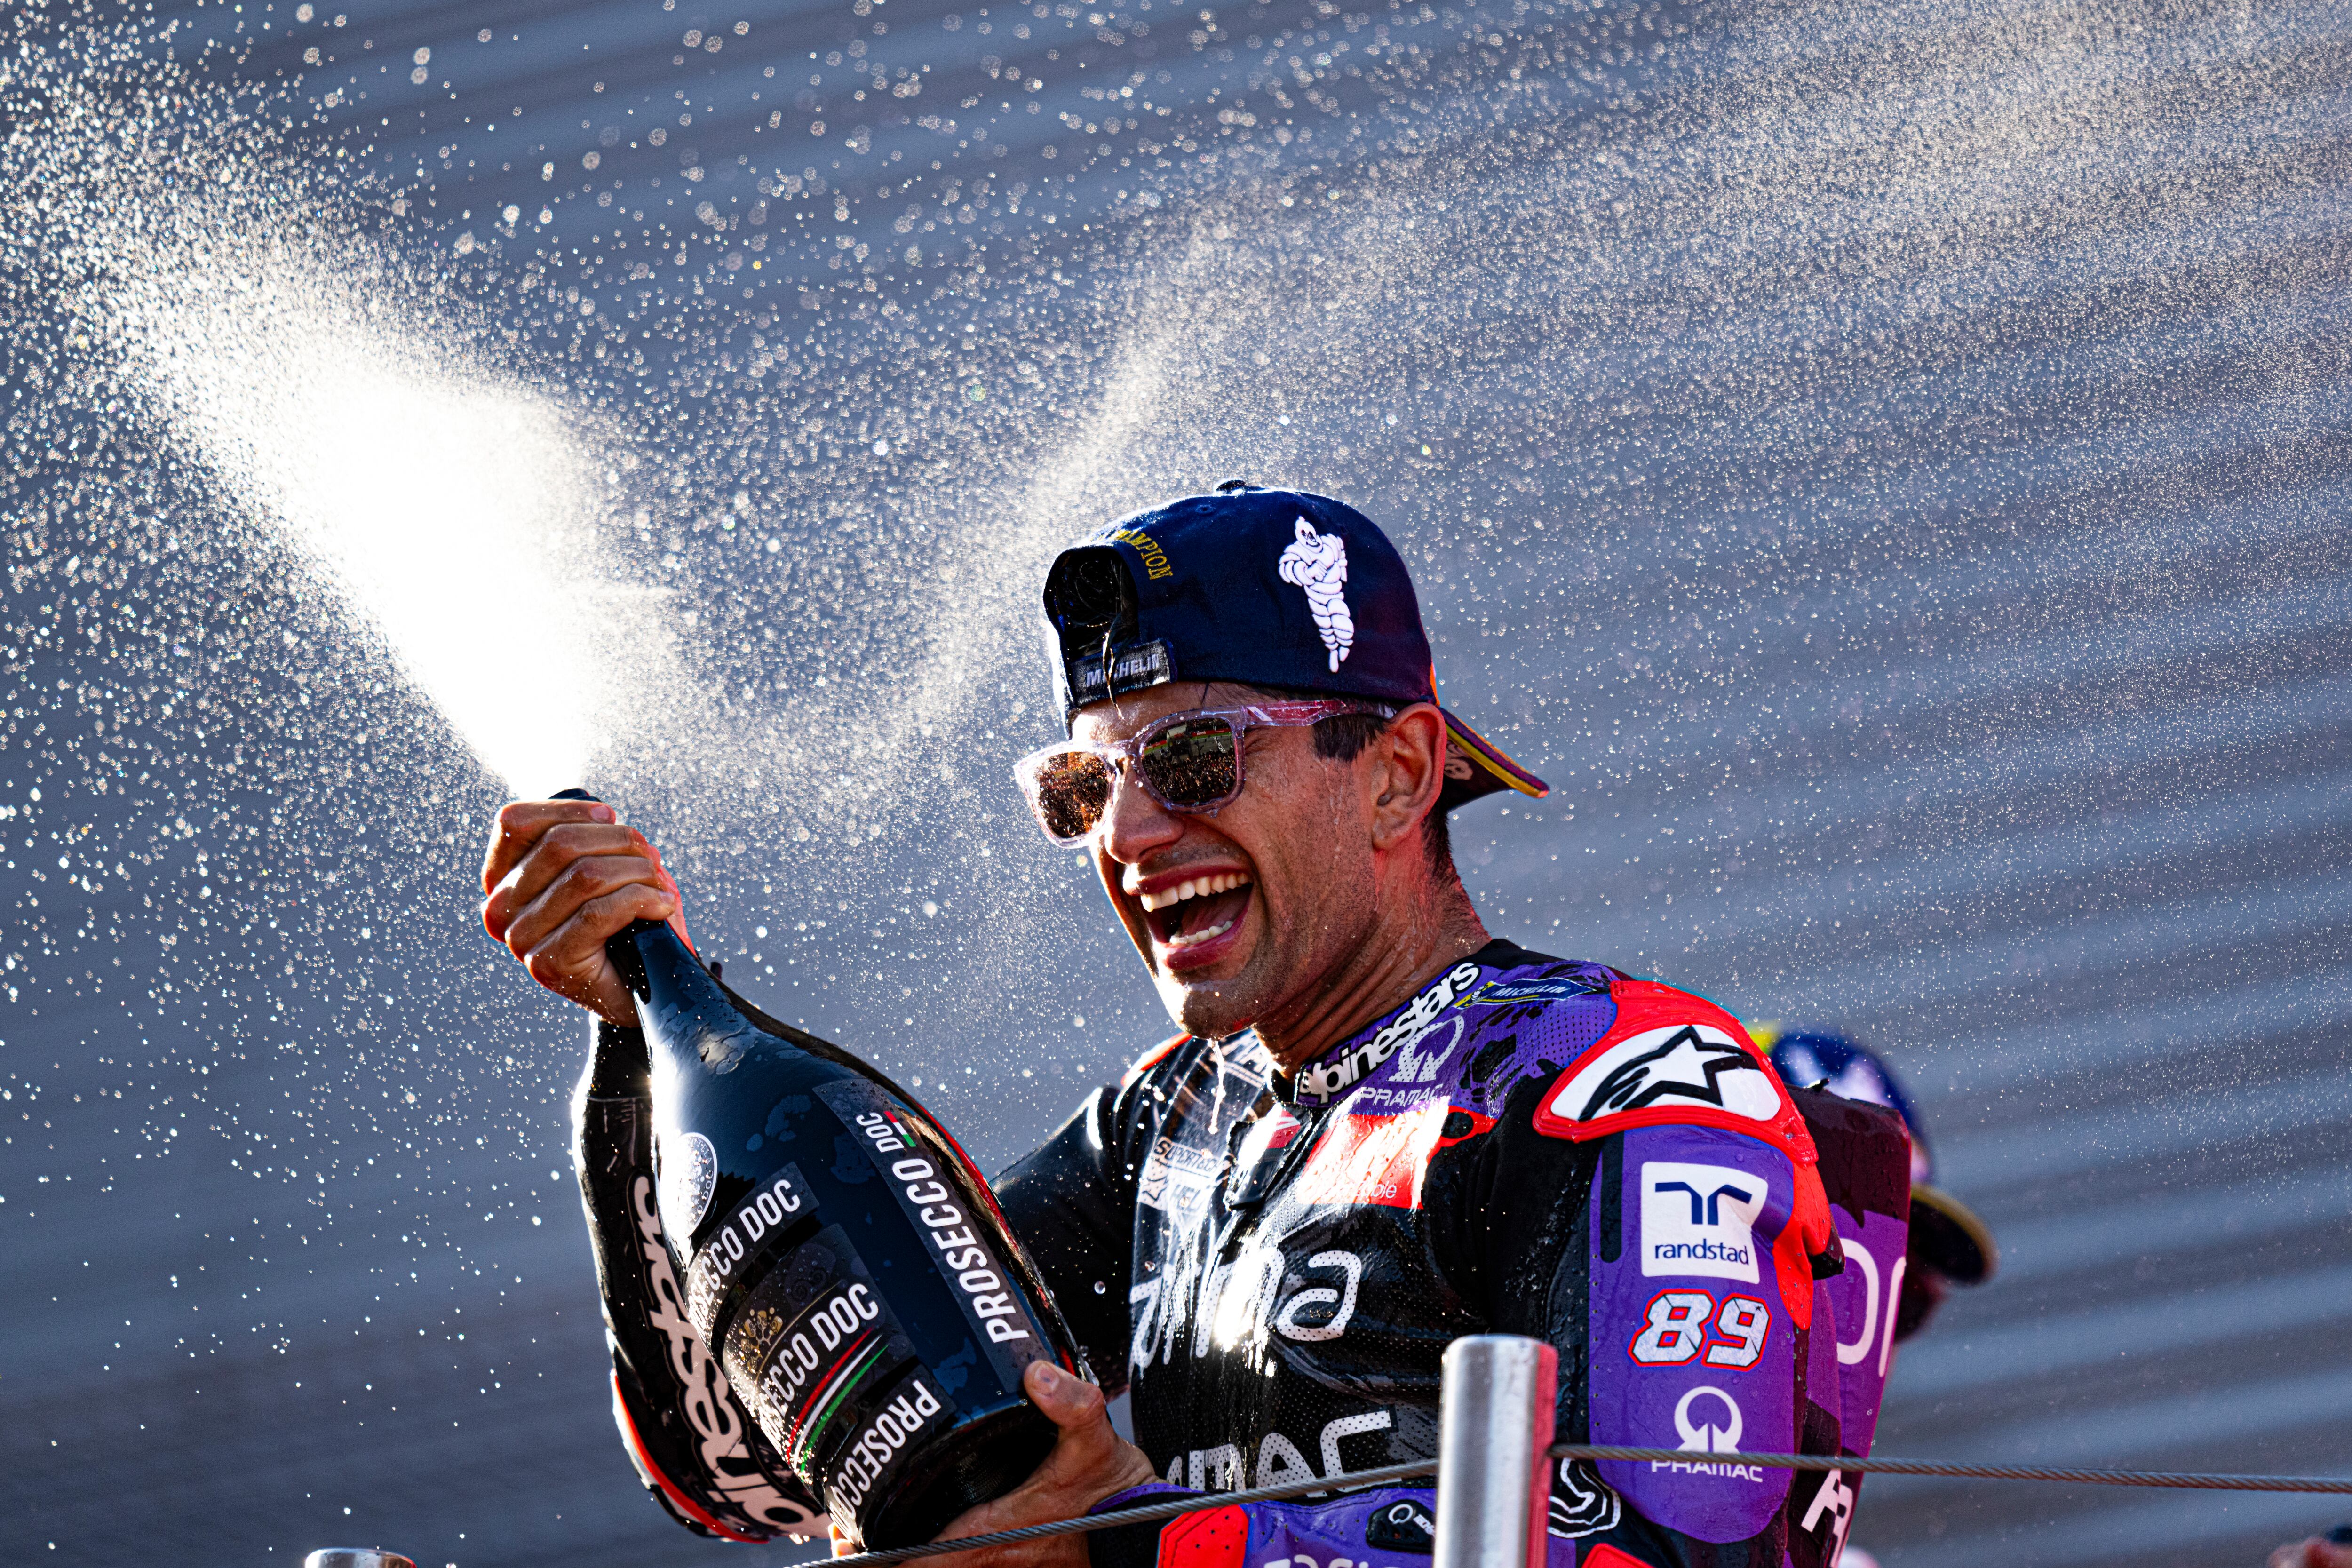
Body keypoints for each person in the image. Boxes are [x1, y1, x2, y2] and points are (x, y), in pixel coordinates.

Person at [481, 483, 1915, 1567]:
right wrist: (640, 1027)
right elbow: (751, 1476)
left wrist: (1128, 1539)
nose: (1137, 832)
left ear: (1398, 775)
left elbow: (1687, 1549)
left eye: (1190, 757)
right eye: (1086, 791)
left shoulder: (1629, 1089)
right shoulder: (1169, 1120)